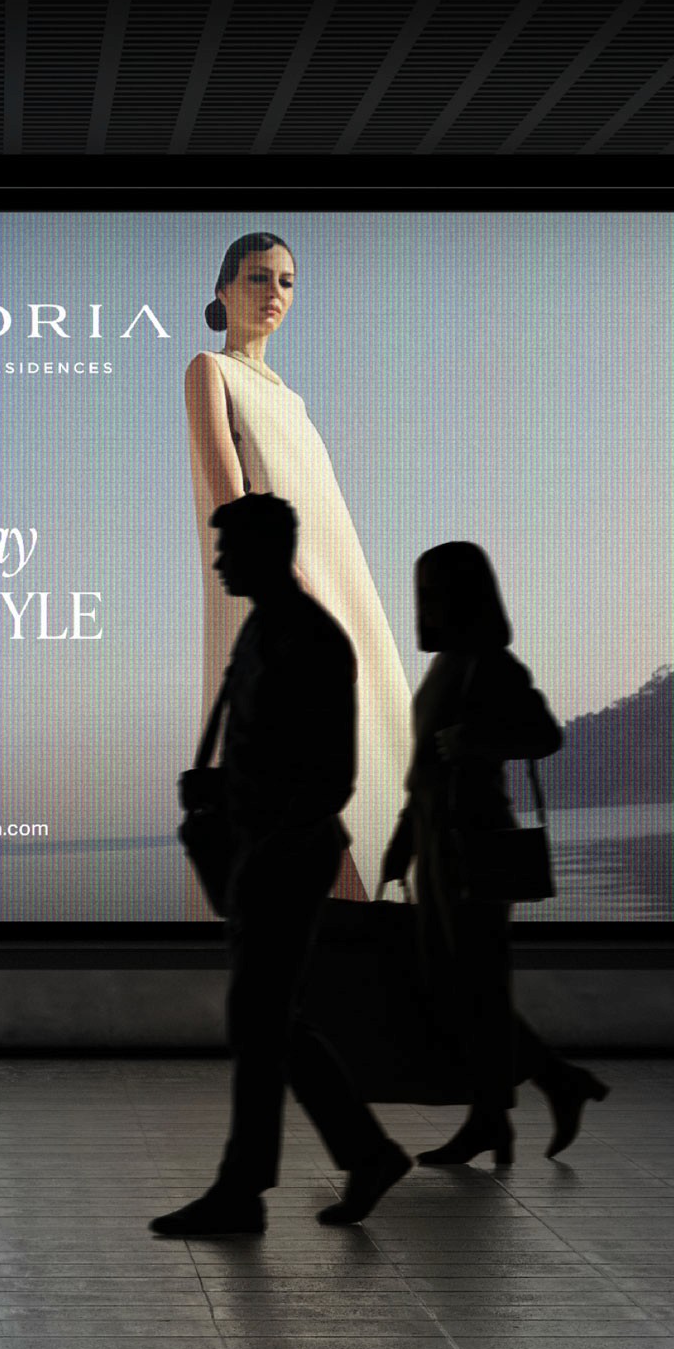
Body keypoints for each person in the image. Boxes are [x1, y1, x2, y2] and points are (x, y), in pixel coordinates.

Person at [151, 495, 413, 1238]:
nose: (218, 561)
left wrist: (259, 827)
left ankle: (252, 1187)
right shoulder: (268, 632)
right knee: (268, 1021)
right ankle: (358, 1155)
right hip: (265, 849)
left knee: (262, 1018)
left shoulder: (307, 637)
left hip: (285, 853)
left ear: (267, 549)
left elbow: (330, 773)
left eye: (229, 548)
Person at [183, 232, 413, 906]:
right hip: (288, 592)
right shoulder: (209, 369)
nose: (274, 294)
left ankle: (363, 928)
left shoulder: (292, 398)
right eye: (258, 278)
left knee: (359, 743)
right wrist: (291, 592)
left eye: (286, 282)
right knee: (299, 761)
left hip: (339, 585)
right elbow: (232, 497)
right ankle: (342, 939)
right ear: (224, 289)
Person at [381, 542, 610, 1167]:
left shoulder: (490, 665)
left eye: (432, 592)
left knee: (470, 990)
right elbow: (423, 769)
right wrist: (404, 842)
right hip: (437, 844)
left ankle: (523, 1102)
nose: (422, 605)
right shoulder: (445, 668)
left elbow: (545, 735)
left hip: (474, 845)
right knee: (462, 990)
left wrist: (477, 742)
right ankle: (510, 1110)